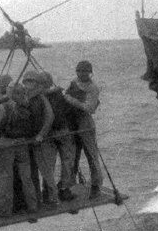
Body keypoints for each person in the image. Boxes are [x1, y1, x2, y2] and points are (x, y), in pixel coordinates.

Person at [0, 83, 39, 219]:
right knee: (26, 177)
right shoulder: (26, 104)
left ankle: (5, 210)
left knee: (4, 177)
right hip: (22, 143)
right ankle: (32, 206)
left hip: (5, 145)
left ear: (10, 92)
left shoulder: (3, 107)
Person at [62, 60, 104, 198]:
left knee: (91, 155)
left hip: (85, 123)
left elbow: (90, 108)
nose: (81, 73)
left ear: (90, 72)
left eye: (85, 71)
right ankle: (68, 185)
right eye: (79, 71)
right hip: (72, 122)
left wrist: (70, 99)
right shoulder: (73, 82)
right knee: (71, 155)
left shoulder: (93, 88)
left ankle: (96, 186)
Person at [40, 71, 77, 202]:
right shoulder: (58, 94)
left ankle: (47, 191)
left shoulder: (38, 97)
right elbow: (68, 110)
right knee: (67, 160)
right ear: (50, 82)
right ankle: (65, 189)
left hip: (47, 133)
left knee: (48, 163)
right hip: (62, 130)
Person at [22, 70, 58, 206]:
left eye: (31, 81)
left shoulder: (41, 97)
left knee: (46, 170)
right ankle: (36, 198)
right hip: (29, 140)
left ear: (36, 83)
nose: (28, 84)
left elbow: (50, 117)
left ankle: (53, 197)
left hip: (42, 140)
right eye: (26, 81)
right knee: (32, 173)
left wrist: (41, 134)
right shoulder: (24, 96)